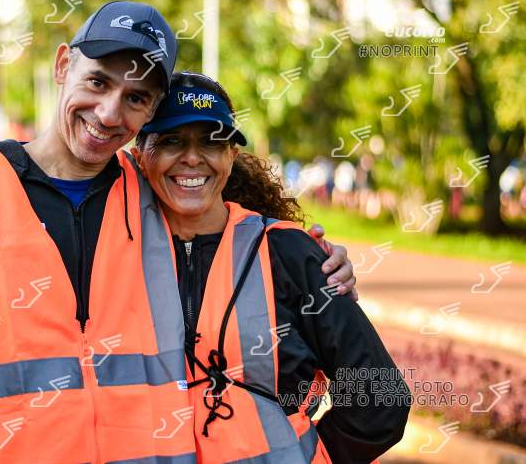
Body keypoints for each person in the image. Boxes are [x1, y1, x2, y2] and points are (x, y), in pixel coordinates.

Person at [0, 1, 357, 463]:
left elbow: (244, 280)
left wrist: (316, 266)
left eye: (136, 98)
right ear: (62, 66)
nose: (109, 113)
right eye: (97, 82)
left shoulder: (161, 198)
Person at [131, 71, 410, 463]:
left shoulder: (286, 251)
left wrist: (308, 457)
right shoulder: (115, 253)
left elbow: (381, 398)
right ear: (140, 156)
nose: (192, 157)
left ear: (231, 155)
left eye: (211, 141)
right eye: (171, 141)